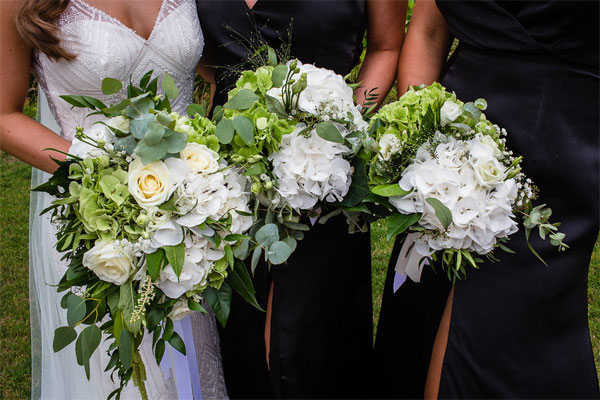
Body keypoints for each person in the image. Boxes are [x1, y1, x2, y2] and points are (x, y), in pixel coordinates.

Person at [0, 0, 228, 398]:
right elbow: (4, 115)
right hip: (99, 220)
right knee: (124, 370)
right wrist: (101, 176)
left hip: (190, 209)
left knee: (194, 355)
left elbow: (216, 68)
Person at [374, 1, 599, 398]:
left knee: (509, 336)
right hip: (453, 148)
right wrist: (421, 146)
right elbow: (427, 31)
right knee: (424, 311)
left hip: (560, 144)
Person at [195, 0, 406, 398]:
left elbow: (386, 46)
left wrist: (337, 130)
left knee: (310, 344)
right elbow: (206, 59)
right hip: (228, 180)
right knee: (239, 334)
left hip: (322, 178)